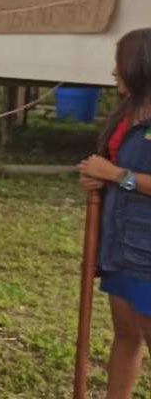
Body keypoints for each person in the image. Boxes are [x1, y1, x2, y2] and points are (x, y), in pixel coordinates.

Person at [78, 28, 151, 399]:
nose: (113, 72)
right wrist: (98, 179)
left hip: (148, 253)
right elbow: (113, 170)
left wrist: (116, 176)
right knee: (126, 333)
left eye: (120, 63)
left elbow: (121, 174)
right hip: (121, 245)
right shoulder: (127, 115)